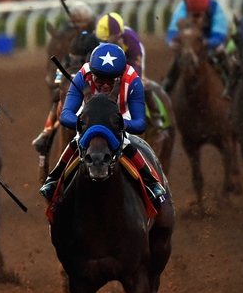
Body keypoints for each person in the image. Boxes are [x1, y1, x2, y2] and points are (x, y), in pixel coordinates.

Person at [39, 43, 166, 206]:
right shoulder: (82, 74)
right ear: (92, 74)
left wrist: (118, 124)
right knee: (78, 139)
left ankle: (151, 182)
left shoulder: (133, 79)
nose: (105, 85)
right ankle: (53, 179)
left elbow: (140, 123)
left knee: (125, 140)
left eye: (111, 81)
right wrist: (84, 123)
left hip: (119, 115)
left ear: (120, 77)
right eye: (100, 80)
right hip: (89, 116)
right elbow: (66, 115)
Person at [162, 0, 229, 94]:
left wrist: (208, 42)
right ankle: (167, 87)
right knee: (178, 58)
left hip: (210, 42)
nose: (196, 19)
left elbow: (220, 35)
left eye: (199, 15)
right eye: (194, 15)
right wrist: (173, 42)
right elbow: (172, 31)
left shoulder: (215, 8)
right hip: (191, 42)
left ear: (205, 11)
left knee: (221, 52)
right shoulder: (184, 7)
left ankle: (230, 84)